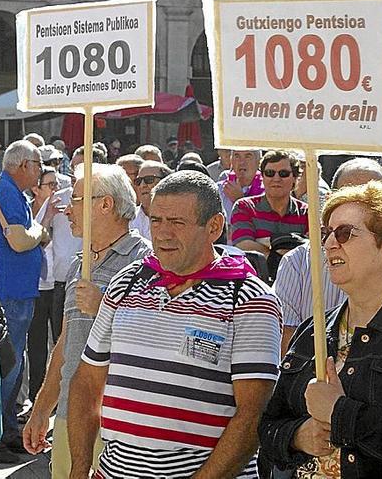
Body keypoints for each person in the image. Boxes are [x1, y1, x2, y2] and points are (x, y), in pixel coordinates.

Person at [70, 171, 282, 478]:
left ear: (214, 227)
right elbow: (87, 381)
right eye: (156, 221)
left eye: (177, 223)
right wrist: (79, 467)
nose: (163, 233)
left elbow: (252, 417)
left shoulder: (249, 299)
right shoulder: (126, 283)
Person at [23, 163, 151, 479]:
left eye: (77, 199)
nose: (67, 209)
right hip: (71, 413)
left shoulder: (145, 261)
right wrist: (42, 409)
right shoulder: (78, 263)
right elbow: (66, 342)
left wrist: (104, 306)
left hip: (119, 419)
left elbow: (152, 341)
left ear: (105, 204)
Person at [259, 181, 382, 477]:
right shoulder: (313, 331)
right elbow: (268, 427)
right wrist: (297, 437)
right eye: (326, 234)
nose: (330, 243)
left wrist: (340, 413)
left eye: (345, 233)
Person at [273, 158, 382, 353]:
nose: (330, 244)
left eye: (373, 200)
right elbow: (288, 347)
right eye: (348, 197)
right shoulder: (297, 263)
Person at [0, 140, 46, 462]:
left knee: (12, 365)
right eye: (38, 164)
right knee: (7, 366)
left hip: (16, 291)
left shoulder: (13, 192)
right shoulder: (5, 191)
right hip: (10, 293)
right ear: (22, 166)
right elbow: (20, 241)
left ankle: (3, 431)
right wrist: (42, 232)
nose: (42, 170)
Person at [27, 166, 63, 403]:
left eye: (57, 184)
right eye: (50, 185)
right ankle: (37, 397)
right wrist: (47, 216)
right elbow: (33, 243)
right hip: (37, 288)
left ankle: (59, 398)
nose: (56, 189)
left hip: (59, 285)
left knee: (60, 344)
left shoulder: (65, 209)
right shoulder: (27, 212)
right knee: (37, 347)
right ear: (36, 189)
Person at [231, 150, 308, 256]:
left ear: (295, 178)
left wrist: (263, 243)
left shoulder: (307, 212)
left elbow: (312, 250)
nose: (276, 179)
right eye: (270, 173)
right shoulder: (244, 207)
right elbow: (243, 245)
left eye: (283, 174)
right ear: (262, 177)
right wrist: (280, 255)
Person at [131, 160, 173, 242]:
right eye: (138, 181)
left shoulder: (177, 217)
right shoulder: (128, 218)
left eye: (149, 180)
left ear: (165, 182)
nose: (142, 185)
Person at [219, 149, 264, 221]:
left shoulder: (268, 191)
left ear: (259, 162)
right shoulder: (218, 189)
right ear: (231, 161)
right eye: (237, 156)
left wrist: (239, 200)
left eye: (248, 156)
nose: (241, 162)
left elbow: (265, 224)